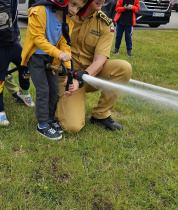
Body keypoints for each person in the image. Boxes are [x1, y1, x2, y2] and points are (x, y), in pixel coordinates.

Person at [55, 0, 132, 133]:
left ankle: (100, 114)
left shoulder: (105, 23)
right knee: (72, 127)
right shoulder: (66, 13)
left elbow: (99, 61)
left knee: (123, 67)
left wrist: (80, 78)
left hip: (88, 76)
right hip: (65, 78)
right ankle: (57, 102)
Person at [21, 0, 91, 140]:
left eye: (79, 8)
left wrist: (69, 72)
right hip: (36, 58)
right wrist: (58, 53)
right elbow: (38, 39)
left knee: (54, 90)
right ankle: (41, 125)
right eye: (73, 4)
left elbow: (65, 44)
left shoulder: (68, 22)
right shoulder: (39, 11)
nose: (75, 10)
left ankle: (49, 119)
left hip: (51, 59)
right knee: (43, 90)